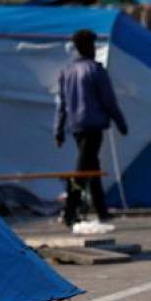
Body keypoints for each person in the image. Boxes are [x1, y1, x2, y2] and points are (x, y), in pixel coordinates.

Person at [54, 29, 128, 226]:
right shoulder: (95, 70)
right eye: (92, 46)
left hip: (75, 126)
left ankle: (101, 209)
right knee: (83, 168)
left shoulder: (67, 71)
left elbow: (61, 105)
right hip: (93, 125)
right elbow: (108, 101)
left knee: (92, 166)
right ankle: (70, 209)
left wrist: (59, 130)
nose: (94, 49)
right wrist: (120, 122)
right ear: (87, 47)